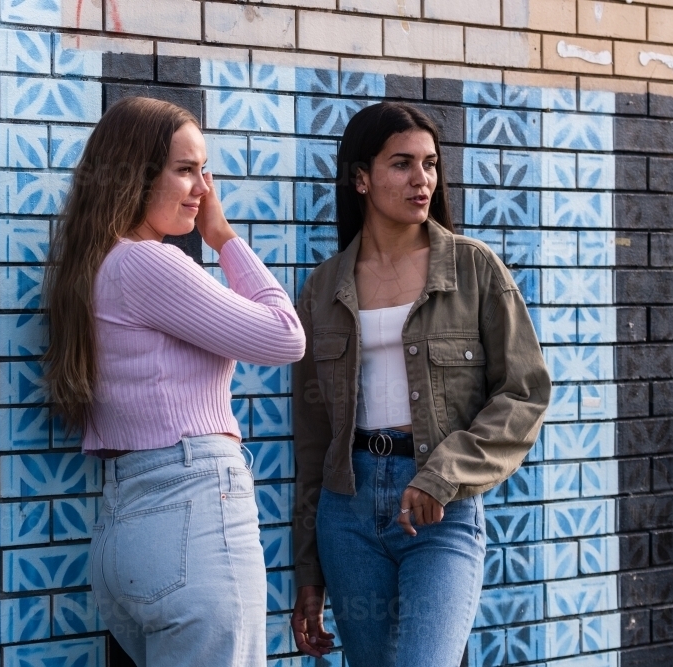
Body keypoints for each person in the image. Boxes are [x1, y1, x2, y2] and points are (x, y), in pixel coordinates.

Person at [43, 97, 305, 667]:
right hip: (192, 515)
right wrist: (225, 239)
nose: (203, 189)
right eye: (185, 170)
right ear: (134, 175)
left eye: (204, 170)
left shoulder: (93, 268)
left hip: (126, 534)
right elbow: (286, 336)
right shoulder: (150, 264)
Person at [290, 102, 551, 666]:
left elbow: (523, 393)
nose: (422, 180)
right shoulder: (321, 289)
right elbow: (313, 442)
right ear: (361, 178)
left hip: (439, 508)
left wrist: (443, 474)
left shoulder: (474, 269)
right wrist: (307, 573)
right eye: (402, 164)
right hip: (348, 512)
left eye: (430, 164)